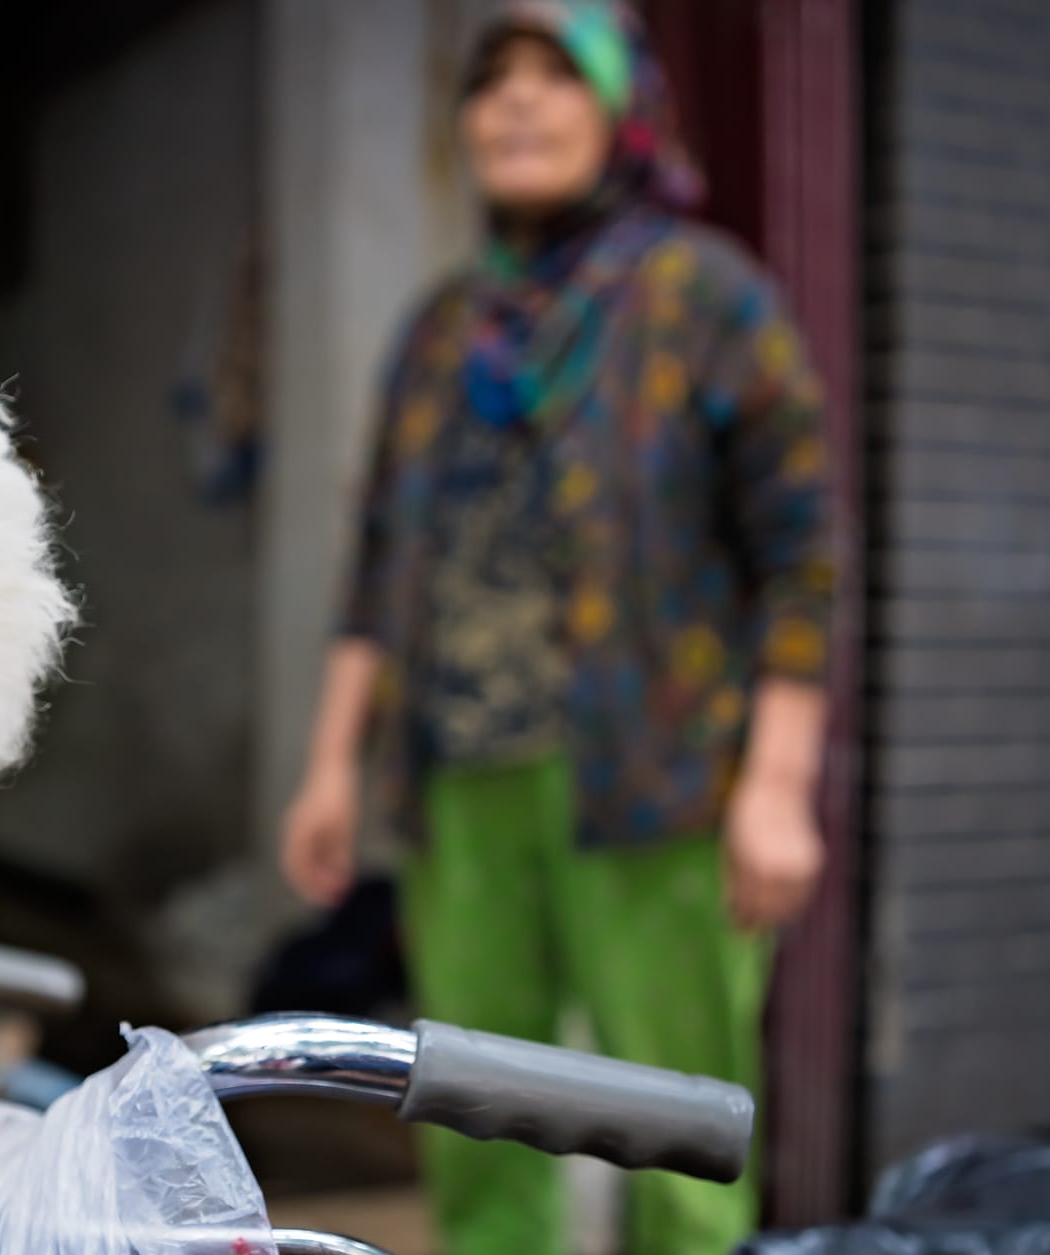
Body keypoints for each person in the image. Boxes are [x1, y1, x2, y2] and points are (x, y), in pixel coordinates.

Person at [278, 3, 832, 1253]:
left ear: (620, 106)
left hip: (659, 778)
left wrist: (779, 782)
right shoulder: (439, 330)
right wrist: (328, 768)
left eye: (553, 77)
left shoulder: (709, 298)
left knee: (679, 1127)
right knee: (477, 1128)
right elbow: (375, 563)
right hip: (460, 783)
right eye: (490, 81)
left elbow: (799, 553)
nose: (514, 104)